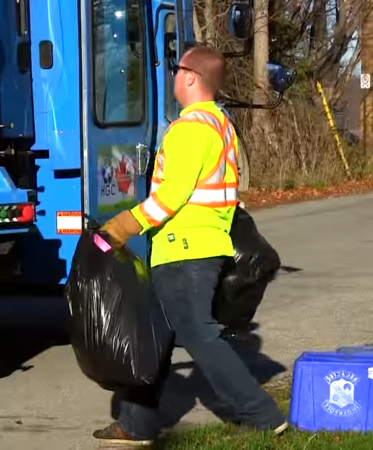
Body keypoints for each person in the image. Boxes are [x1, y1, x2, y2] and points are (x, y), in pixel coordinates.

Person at [94, 45, 288, 447]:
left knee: (199, 336)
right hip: (200, 245)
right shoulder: (220, 125)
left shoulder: (189, 129)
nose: (172, 76)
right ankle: (136, 424)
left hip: (185, 250)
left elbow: (169, 197)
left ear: (190, 77)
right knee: (158, 336)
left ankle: (262, 415)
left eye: (176, 69)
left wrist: (119, 228)